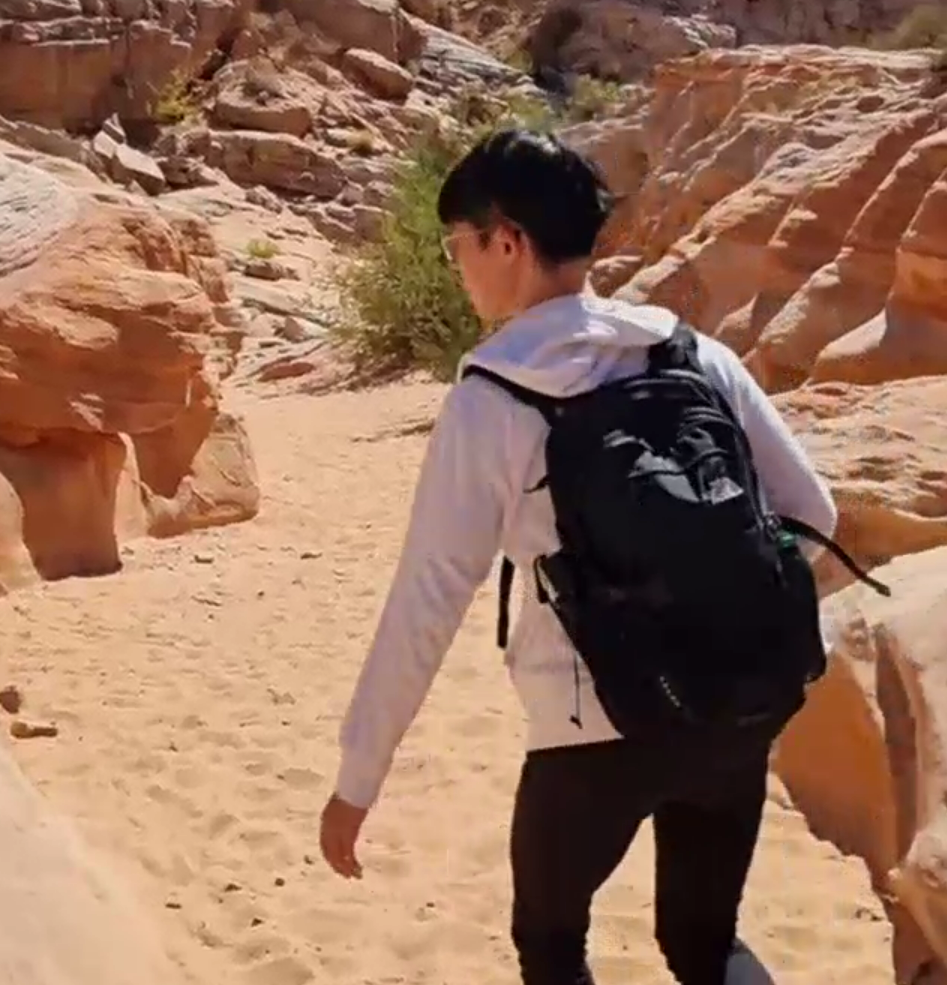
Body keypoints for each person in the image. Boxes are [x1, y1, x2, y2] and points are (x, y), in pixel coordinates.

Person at [318, 126, 841, 985]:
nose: (457, 266)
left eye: (458, 245)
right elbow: (812, 511)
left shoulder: (493, 394)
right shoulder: (693, 352)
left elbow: (428, 599)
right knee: (705, 944)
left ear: (507, 241)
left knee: (552, 945)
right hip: (737, 707)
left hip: (586, 730)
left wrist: (358, 778)